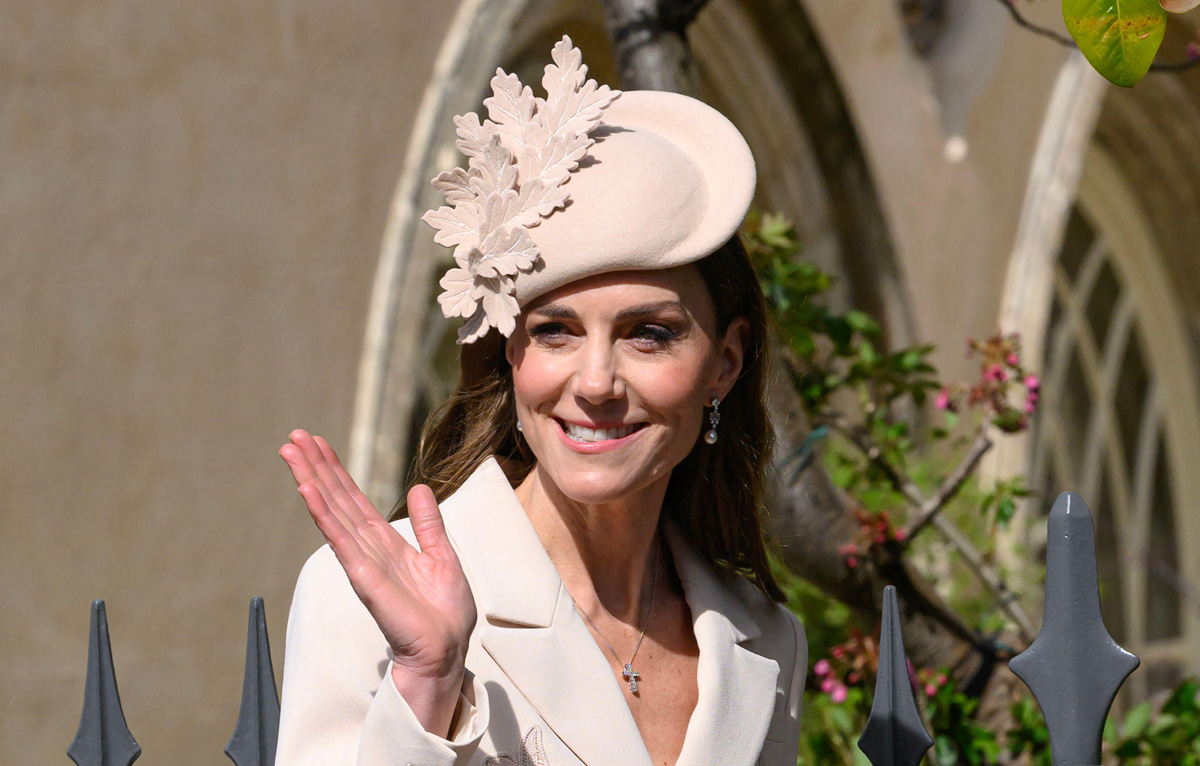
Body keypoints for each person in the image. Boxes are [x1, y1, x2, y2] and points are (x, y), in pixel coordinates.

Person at [274, 35, 807, 766]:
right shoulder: (363, 601)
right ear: (509, 356)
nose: (593, 383)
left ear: (725, 364)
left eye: (648, 334)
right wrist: (427, 687)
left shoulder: (767, 642)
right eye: (554, 332)